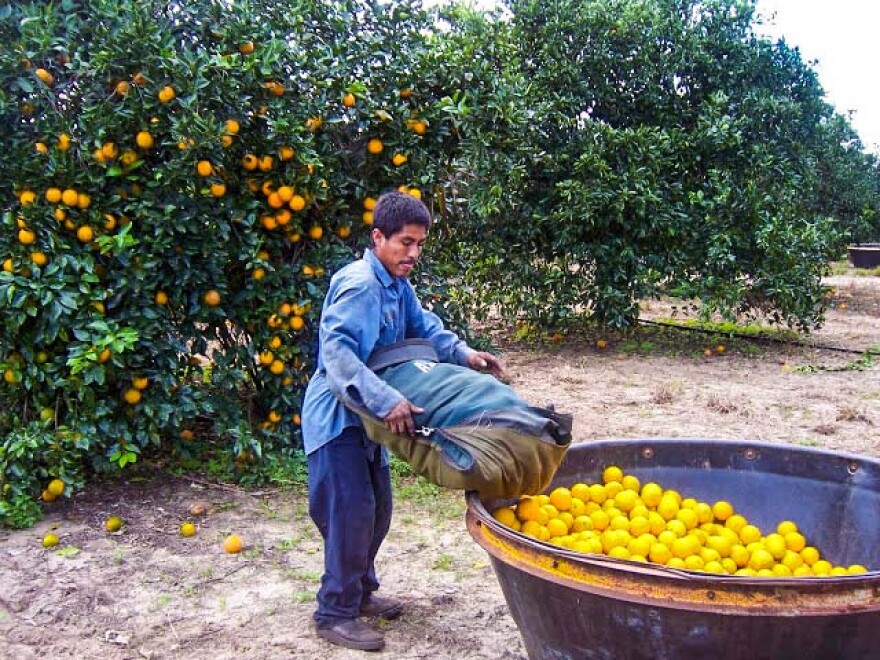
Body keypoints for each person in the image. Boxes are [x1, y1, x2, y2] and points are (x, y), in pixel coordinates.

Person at [301, 191, 506, 652]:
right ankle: (335, 612)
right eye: (404, 243)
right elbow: (337, 356)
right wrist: (385, 398)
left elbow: (426, 327)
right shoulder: (360, 285)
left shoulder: (397, 284)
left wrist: (465, 353)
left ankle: (361, 592)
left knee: (378, 512)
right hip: (339, 417)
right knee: (349, 513)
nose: (413, 254)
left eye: (419, 244)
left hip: (369, 418)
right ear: (378, 238)